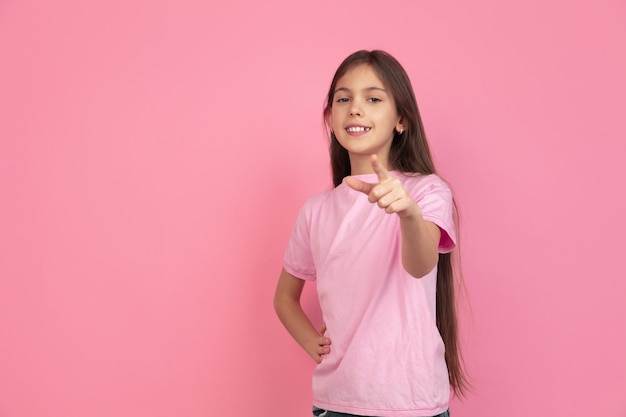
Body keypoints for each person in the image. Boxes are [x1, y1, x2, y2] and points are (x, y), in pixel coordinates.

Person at [274, 50, 469, 417]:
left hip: (414, 403)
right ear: (330, 118)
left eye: (374, 98)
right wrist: (312, 342)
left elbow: (421, 264)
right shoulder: (316, 210)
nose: (355, 108)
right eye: (343, 98)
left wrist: (408, 212)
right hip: (337, 403)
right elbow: (284, 297)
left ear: (401, 120)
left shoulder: (428, 191)